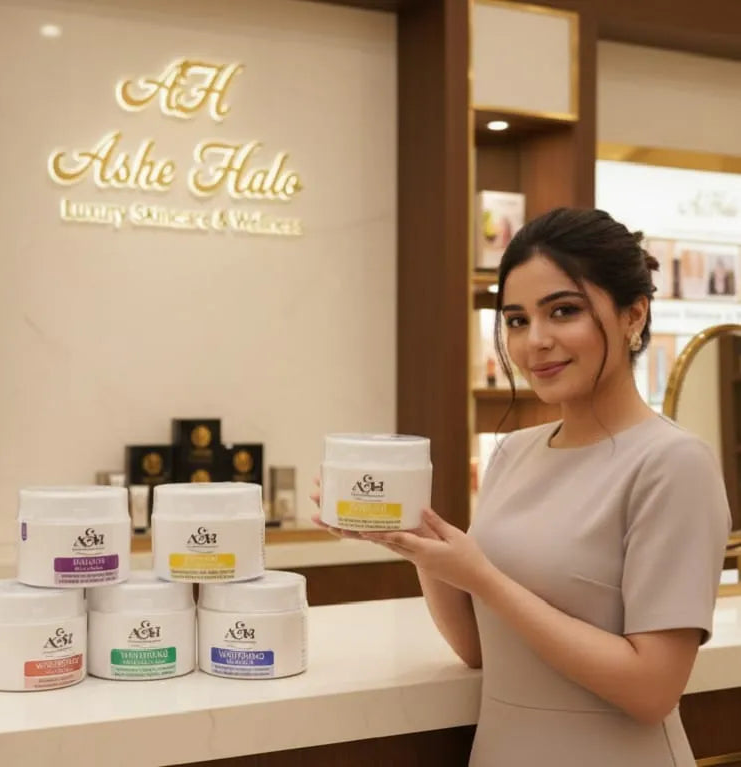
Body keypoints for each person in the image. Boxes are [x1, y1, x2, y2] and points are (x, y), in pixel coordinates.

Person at [312, 207, 731, 767]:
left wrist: (482, 577)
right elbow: (483, 650)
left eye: (563, 311)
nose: (536, 341)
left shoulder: (674, 464)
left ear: (634, 314)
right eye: (515, 319)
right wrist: (413, 541)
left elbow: (651, 690)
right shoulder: (512, 453)